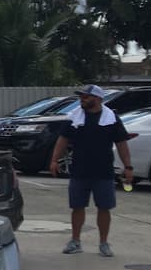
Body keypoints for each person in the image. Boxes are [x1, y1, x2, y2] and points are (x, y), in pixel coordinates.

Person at [50, 84, 133, 257]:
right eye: (81, 97)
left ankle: (103, 243)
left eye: (86, 97)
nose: (82, 100)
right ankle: (75, 241)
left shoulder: (111, 119)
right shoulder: (75, 117)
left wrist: (128, 167)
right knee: (77, 207)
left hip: (103, 172)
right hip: (80, 170)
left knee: (104, 208)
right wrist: (54, 160)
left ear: (97, 99)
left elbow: (122, 144)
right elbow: (63, 140)